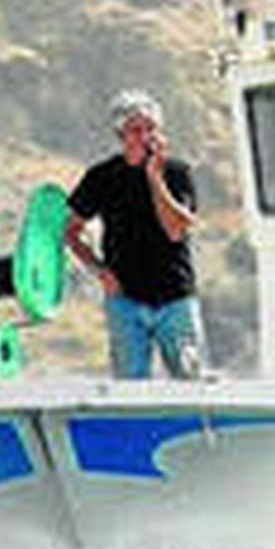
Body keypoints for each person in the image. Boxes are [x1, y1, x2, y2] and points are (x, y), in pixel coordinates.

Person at [66, 90, 204, 380]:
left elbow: (176, 229)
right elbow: (70, 230)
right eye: (136, 130)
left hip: (175, 297)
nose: (145, 136)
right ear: (121, 134)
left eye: (151, 128)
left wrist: (155, 178)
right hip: (125, 299)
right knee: (130, 385)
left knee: (192, 382)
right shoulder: (101, 177)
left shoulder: (177, 173)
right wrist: (100, 271)